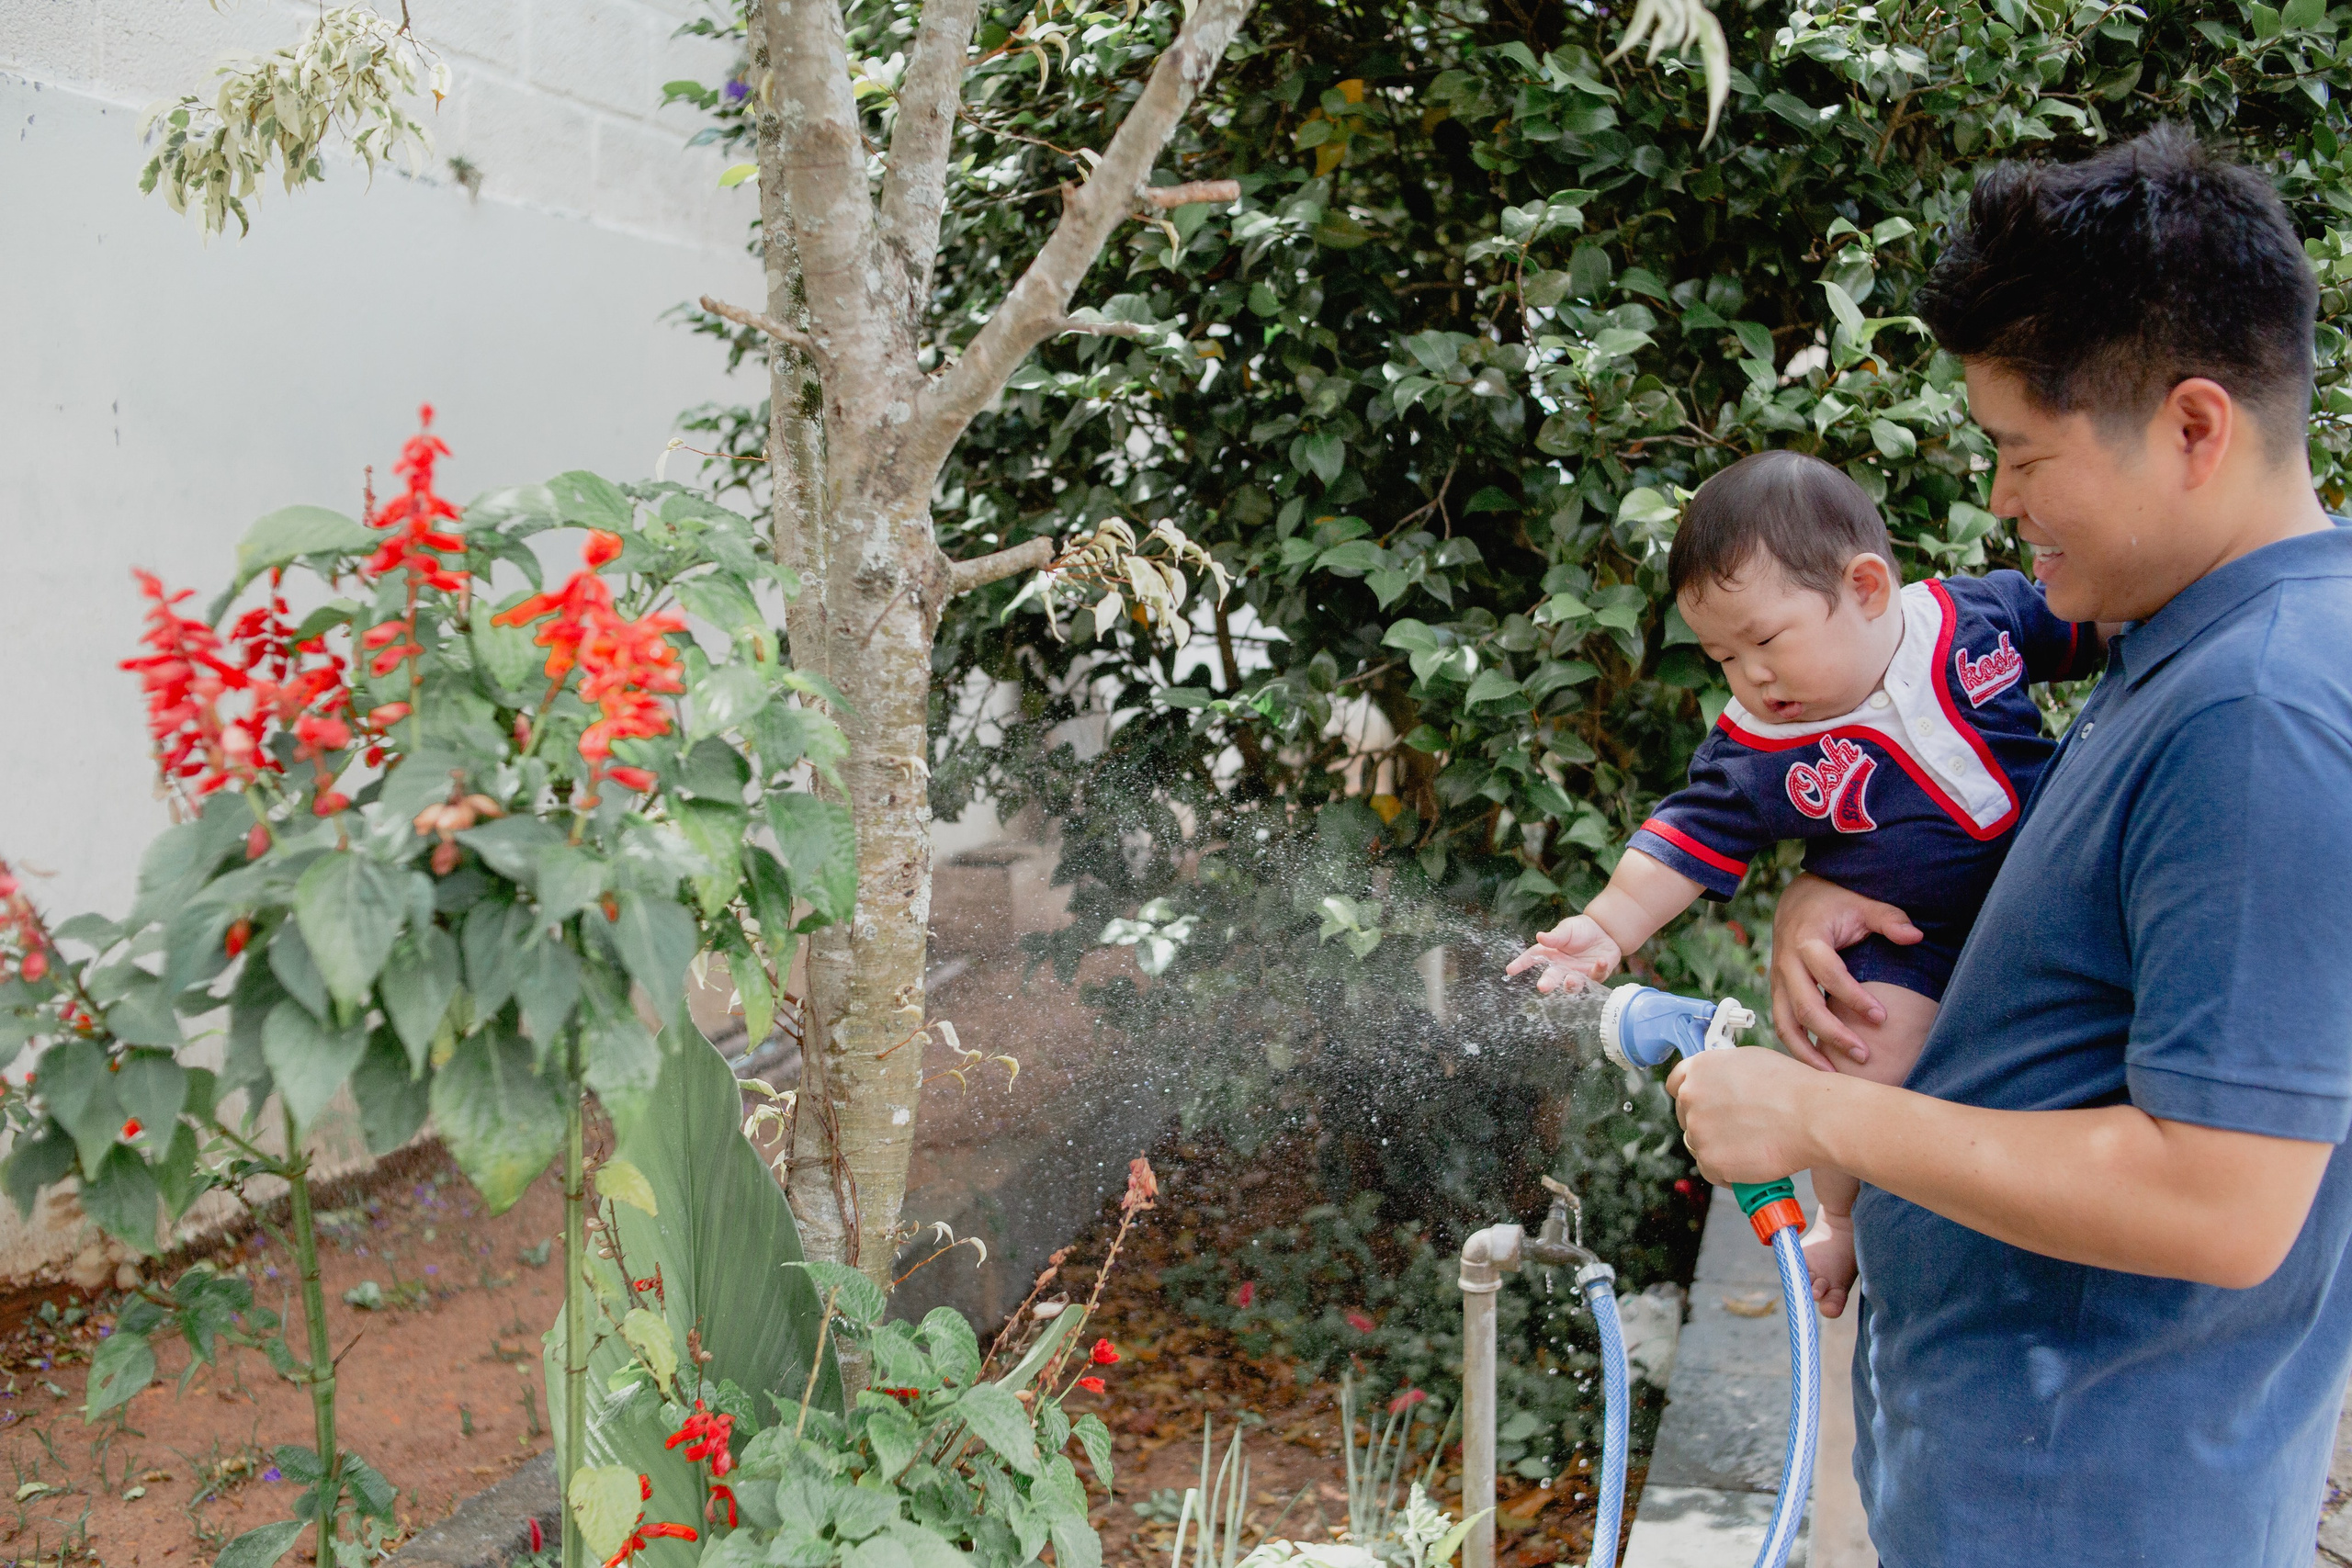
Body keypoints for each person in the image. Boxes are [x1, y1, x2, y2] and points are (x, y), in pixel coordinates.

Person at [1667, 125, 2352, 1566]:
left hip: (2090, 1510)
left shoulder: (2263, 710)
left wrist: (1813, 1117)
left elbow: (2221, 1199)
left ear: (2192, 427)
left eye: (2019, 452)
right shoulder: (2193, 643)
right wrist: (1833, 881)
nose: (1996, 502)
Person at [1505, 449, 2098, 1314]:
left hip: (2046, 882)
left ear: (1866, 588)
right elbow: (1684, 833)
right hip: (1909, 934)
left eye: (1766, 640)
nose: (1751, 674)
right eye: (1722, 656)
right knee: (1856, 1044)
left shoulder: (1976, 616)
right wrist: (1606, 927)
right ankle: (1841, 1217)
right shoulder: (1759, 745)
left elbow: (2092, 629)